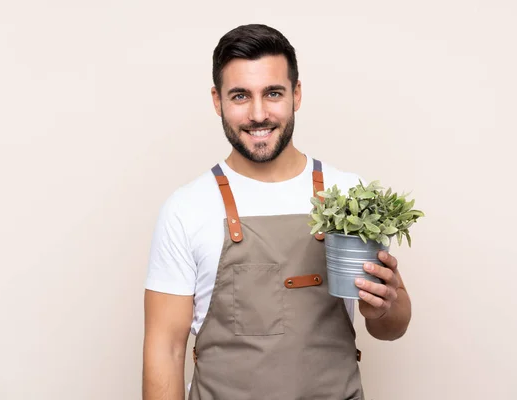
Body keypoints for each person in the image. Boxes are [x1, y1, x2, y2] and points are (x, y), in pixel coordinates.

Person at [142, 23, 412, 400]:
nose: (258, 114)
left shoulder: (349, 197)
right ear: (217, 101)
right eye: (239, 96)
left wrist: (387, 305)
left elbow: (391, 328)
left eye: (272, 93)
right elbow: (165, 350)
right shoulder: (186, 209)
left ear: (296, 94)